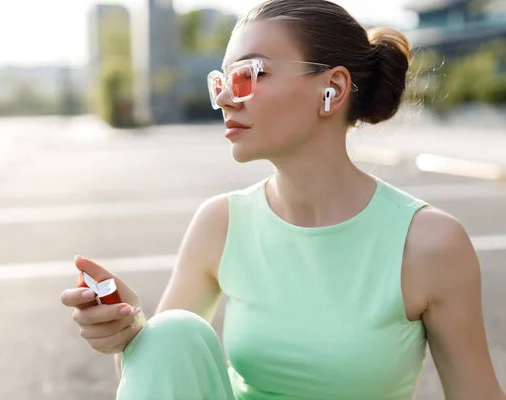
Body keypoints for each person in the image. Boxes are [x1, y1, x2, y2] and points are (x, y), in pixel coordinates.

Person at [60, 0, 506, 399]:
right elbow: (160, 377)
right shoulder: (221, 222)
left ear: (331, 88)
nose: (224, 98)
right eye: (221, 79)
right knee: (169, 332)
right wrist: (131, 330)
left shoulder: (430, 243)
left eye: (248, 75)